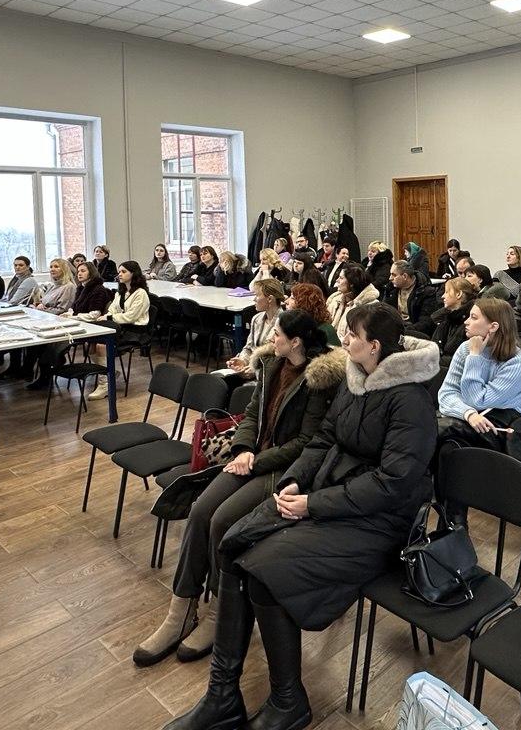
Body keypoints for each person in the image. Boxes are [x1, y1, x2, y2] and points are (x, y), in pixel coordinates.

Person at [166, 303, 439, 730]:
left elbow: (391, 484)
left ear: (375, 346)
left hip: (380, 523)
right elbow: (323, 440)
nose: (343, 339)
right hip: (333, 499)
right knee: (234, 544)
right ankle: (222, 696)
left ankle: (288, 701)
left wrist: (314, 504)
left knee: (262, 571)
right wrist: (295, 481)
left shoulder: (411, 399)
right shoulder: (356, 379)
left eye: (352, 334)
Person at [134, 309, 345, 669]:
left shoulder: (318, 379)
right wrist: (243, 449)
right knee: (200, 510)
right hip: (252, 457)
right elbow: (251, 414)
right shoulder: (271, 365)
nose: (271, 338)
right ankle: (181, 609)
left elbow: (306, 443)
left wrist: (255, 461)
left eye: (277, 334)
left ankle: (220, 611)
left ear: (295, 342)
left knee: (222, 521)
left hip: (284, 470)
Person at [437, 298, 521, 434]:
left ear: (493, 327)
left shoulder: (518, 363)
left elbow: (476, 401)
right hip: (472, 423)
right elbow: (446, 394)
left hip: (509, 431)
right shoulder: (466, 348)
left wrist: (474, 357)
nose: (466, 322)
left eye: (473, 317)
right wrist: (469, 414)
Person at [89, 260, 151, 401]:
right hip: (120, 326)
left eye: (123, 272)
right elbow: (112, 309)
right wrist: (108, 316)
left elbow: (131, 317)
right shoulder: (121, 291)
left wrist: (110, 317)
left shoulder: (141, 293)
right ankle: (110, 372)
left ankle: (105, 384)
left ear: (133, 274)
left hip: (135, 331)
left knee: (101, 345)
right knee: (91, 343)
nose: (120, 274)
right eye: (119, 272)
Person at [21, 259, 78, 390]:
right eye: (51, 266)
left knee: (40, 345)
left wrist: (42, 310)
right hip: (46, 321)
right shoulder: (53, 285)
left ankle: (43, 376)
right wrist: (37, 305)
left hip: (60, 326)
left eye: (56, 266)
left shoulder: (69, 287)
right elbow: (44, 302)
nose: (52, 269)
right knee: (30, 339)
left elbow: (62, 310)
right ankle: (27, 370)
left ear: (64, 269)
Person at [227, 279, 286, 376]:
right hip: (253, 369)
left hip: (269, 375)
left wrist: (255, 370)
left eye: (257, 295)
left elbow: (280, 359)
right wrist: (243, 360)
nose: (254, 299)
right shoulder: (256, 319)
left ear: (270, 299)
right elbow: (249, 347)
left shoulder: (284, 323)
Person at [427, 277, 477, 360]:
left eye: (447, 292)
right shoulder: (449, 317)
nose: (443, 296)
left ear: (458, 294)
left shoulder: (468, 322)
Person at [325, 265, 379, 340]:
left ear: (352, 283)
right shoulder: (335, 299)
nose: (337, 280)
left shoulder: (370, 306)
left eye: (341, 278)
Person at [379, 259, 439, 326]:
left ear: (405, 276)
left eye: (394, 275)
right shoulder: (390, 288)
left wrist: (406, 330)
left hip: (414, 329)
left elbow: (425, 322)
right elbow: (384, 311)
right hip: (395, 327)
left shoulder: (426, 292)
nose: (390, 278)